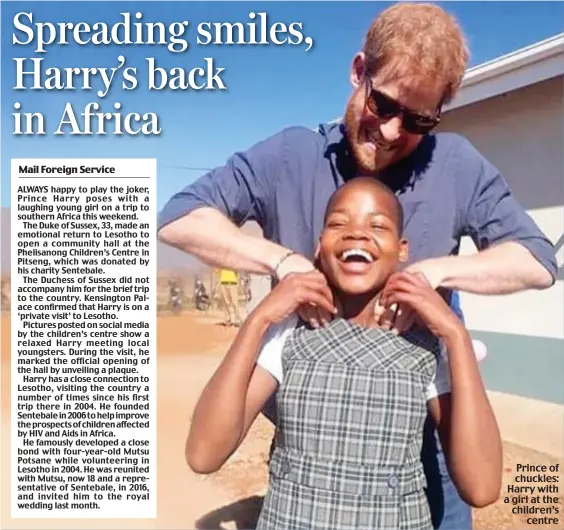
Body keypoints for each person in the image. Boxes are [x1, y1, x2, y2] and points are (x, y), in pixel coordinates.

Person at [157, 4, 557, 528]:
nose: (392, 132)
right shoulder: (290, 157)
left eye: (418, 120)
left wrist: (434, 278)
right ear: (359, 72)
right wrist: (282, 263)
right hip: (311, 439)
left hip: (428, 437)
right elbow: (180, 218)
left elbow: (536, 259)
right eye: (384, 103)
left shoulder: (456, 166)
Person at [186, 178, 502, 530]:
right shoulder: (290, 334)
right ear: (320, 246)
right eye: (338, 223)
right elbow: (203, 453)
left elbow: (482, 486)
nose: (357, 234)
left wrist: (455, 335)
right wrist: (259, 319)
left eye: (377, 225)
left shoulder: (425, 345)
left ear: (402, 249)